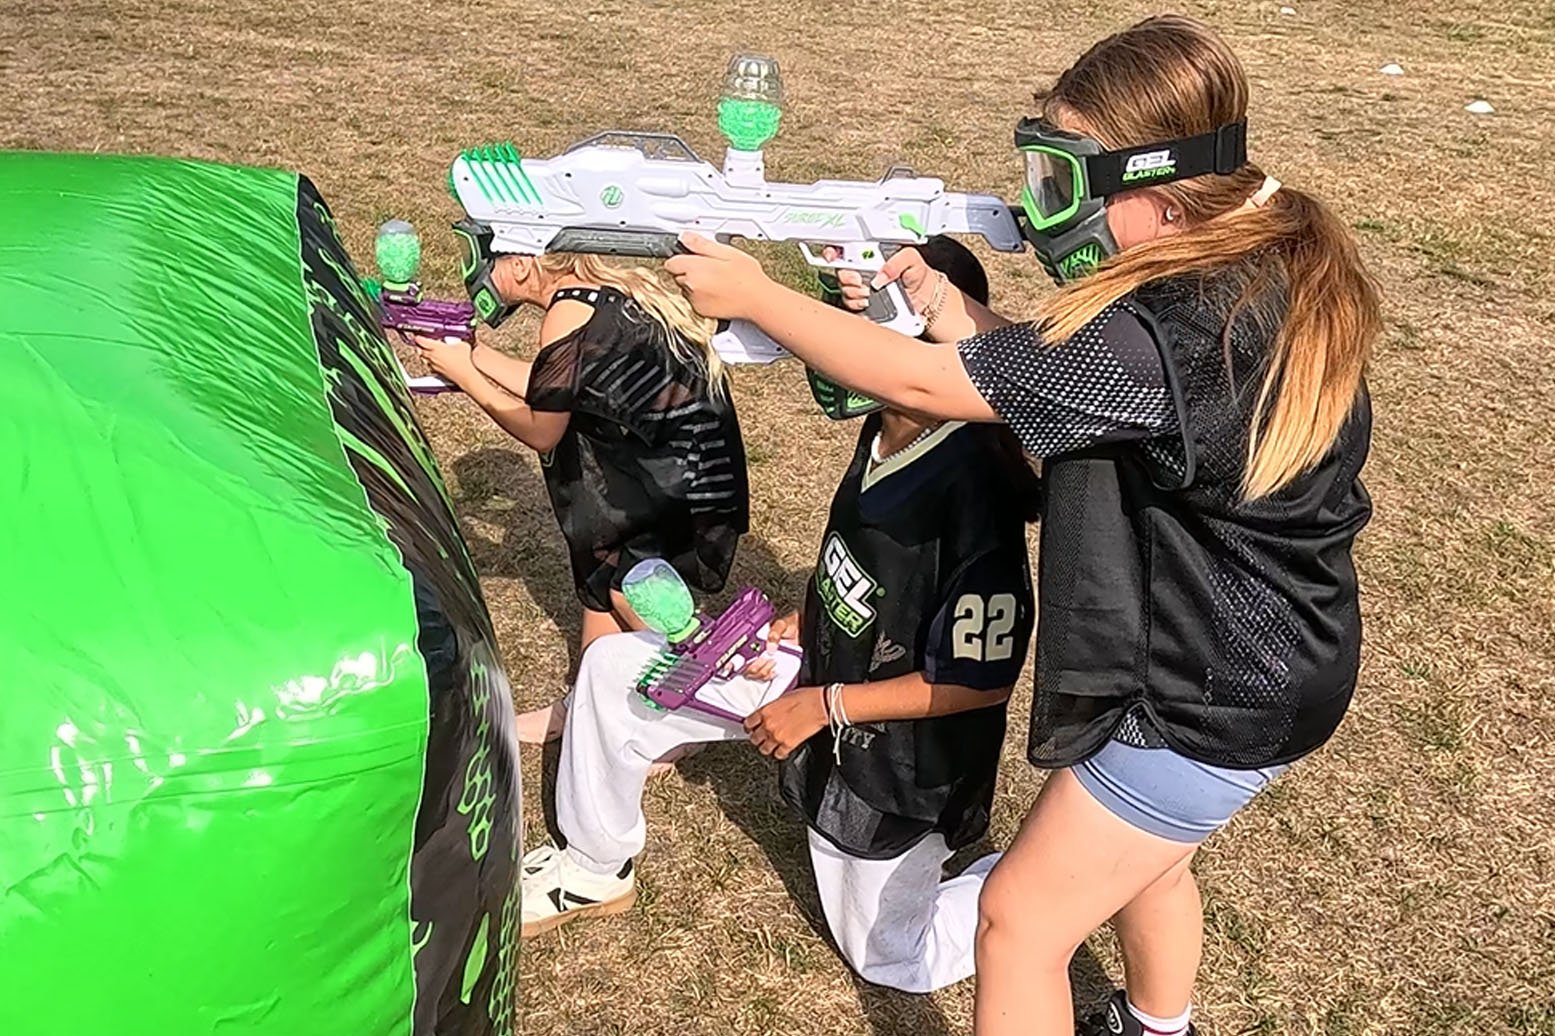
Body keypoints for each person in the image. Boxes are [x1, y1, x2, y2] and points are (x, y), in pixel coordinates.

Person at [666, 15, 1379, 1035]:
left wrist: (757, 296)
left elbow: (918, 380)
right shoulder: (1244, 270)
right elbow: (1067, 386)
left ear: (1156, 189)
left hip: (1206, 699)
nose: (1045, 210)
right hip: (1276, 666)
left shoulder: (1164, 335)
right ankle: (1154, 1023)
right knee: (1150, 865)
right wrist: (955, 307)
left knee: (1016, 925)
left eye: (1061, 178)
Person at [520, 238, 1043, 995]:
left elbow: (979, 682)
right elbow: (863, 567)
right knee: (612, 668)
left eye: (858, 316)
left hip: (894, 750)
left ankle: (1048, 881)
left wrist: (821, 705)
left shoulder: (972, 493)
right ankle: (593, 867)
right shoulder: (889, 428)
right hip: (819, 678)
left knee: (889, 960)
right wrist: (805, 618)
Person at [415, 249, 750, 746]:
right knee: (601, 584)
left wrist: (464, 376)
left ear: (524, 263)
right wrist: (474, 355)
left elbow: (542, 429)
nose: (478, 273)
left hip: (676, 486)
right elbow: (555, 386)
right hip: (673, 468)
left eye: (490, 257)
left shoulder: (567, 311)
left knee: (631, 589)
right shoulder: (595, 294)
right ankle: (585, 709)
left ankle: (711, 701)